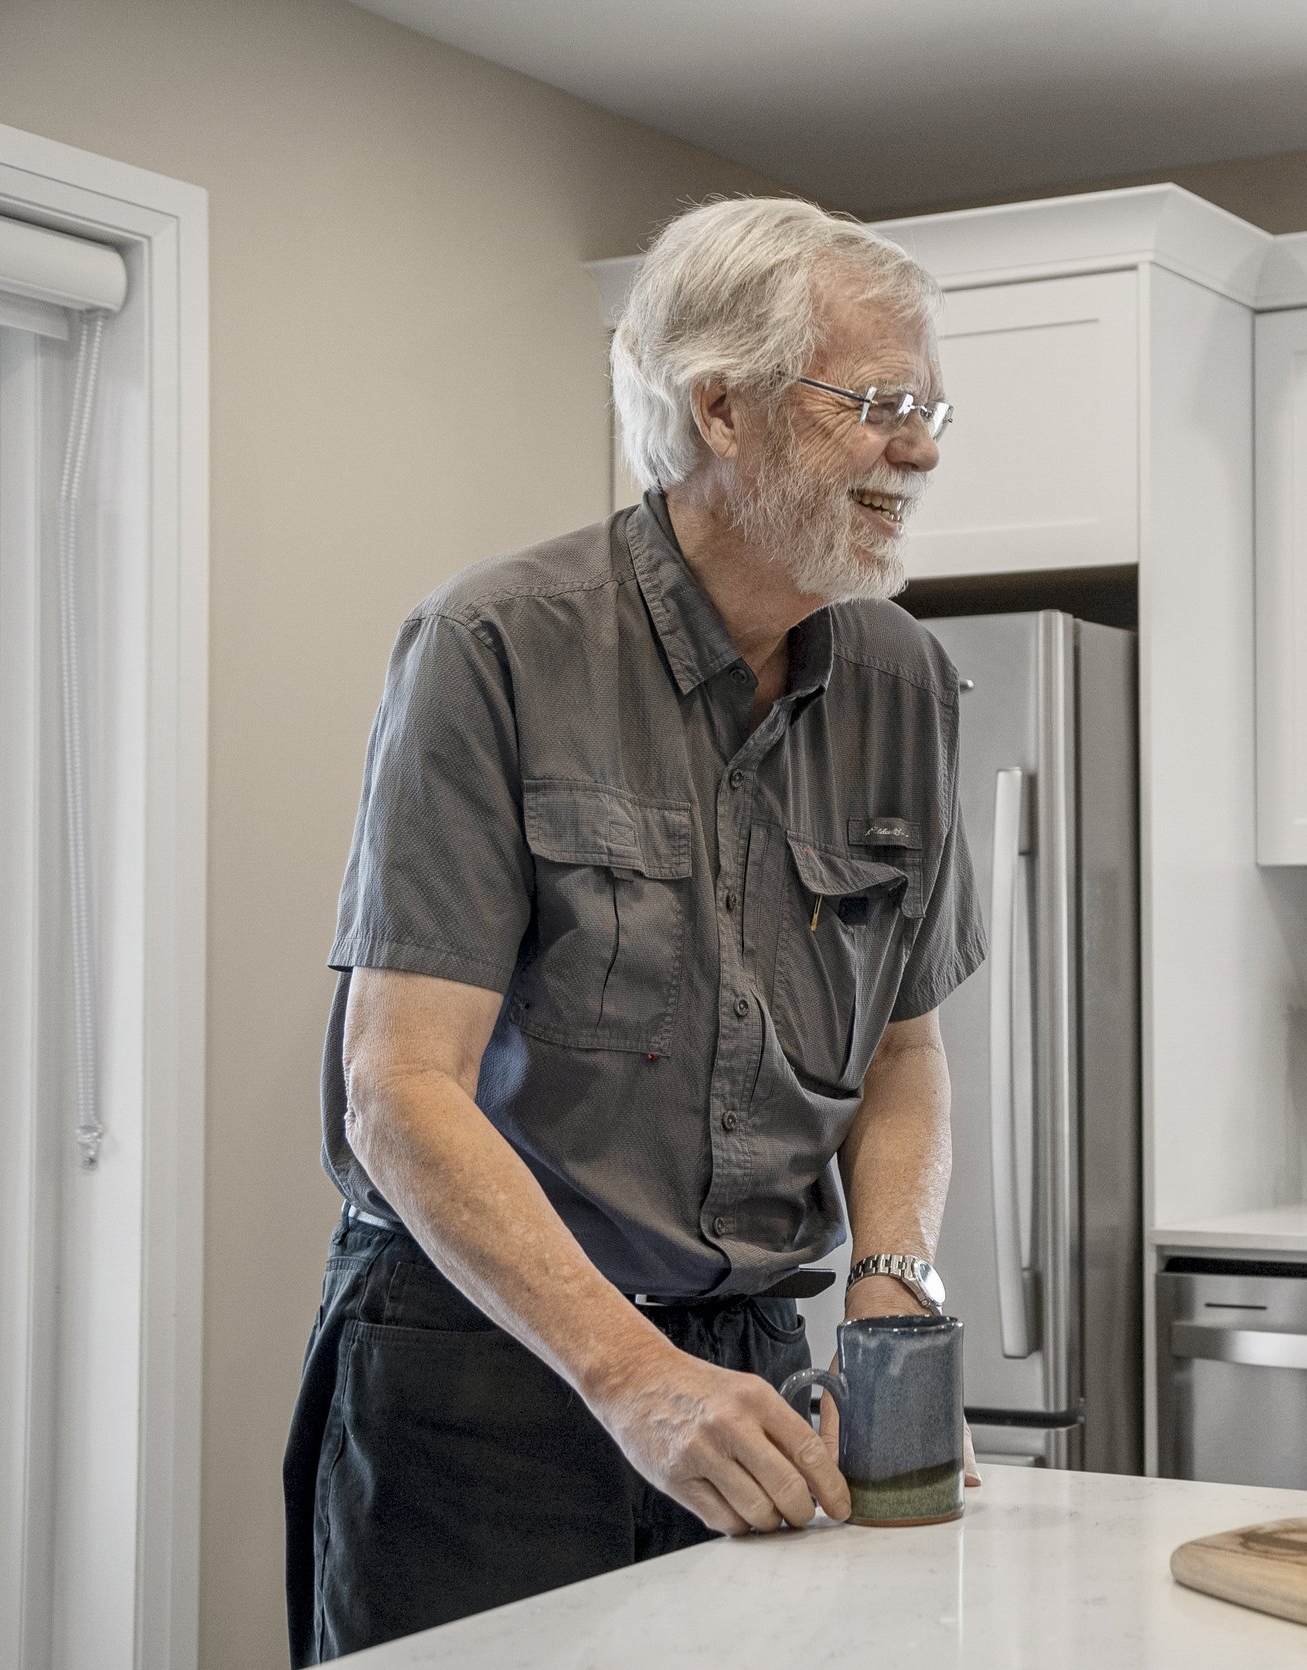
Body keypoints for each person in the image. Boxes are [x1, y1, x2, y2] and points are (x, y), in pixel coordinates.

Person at [283, 198, 986, 1663]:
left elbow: (903, 1049)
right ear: (719, 408)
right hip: (484, 1379)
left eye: (926, 407)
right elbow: (398, 1086)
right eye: (873, 405)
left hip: (760, 1368)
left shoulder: (903, 683)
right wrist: (631, 1375)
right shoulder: (493, 648)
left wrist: (887, 1299)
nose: (917, 448)